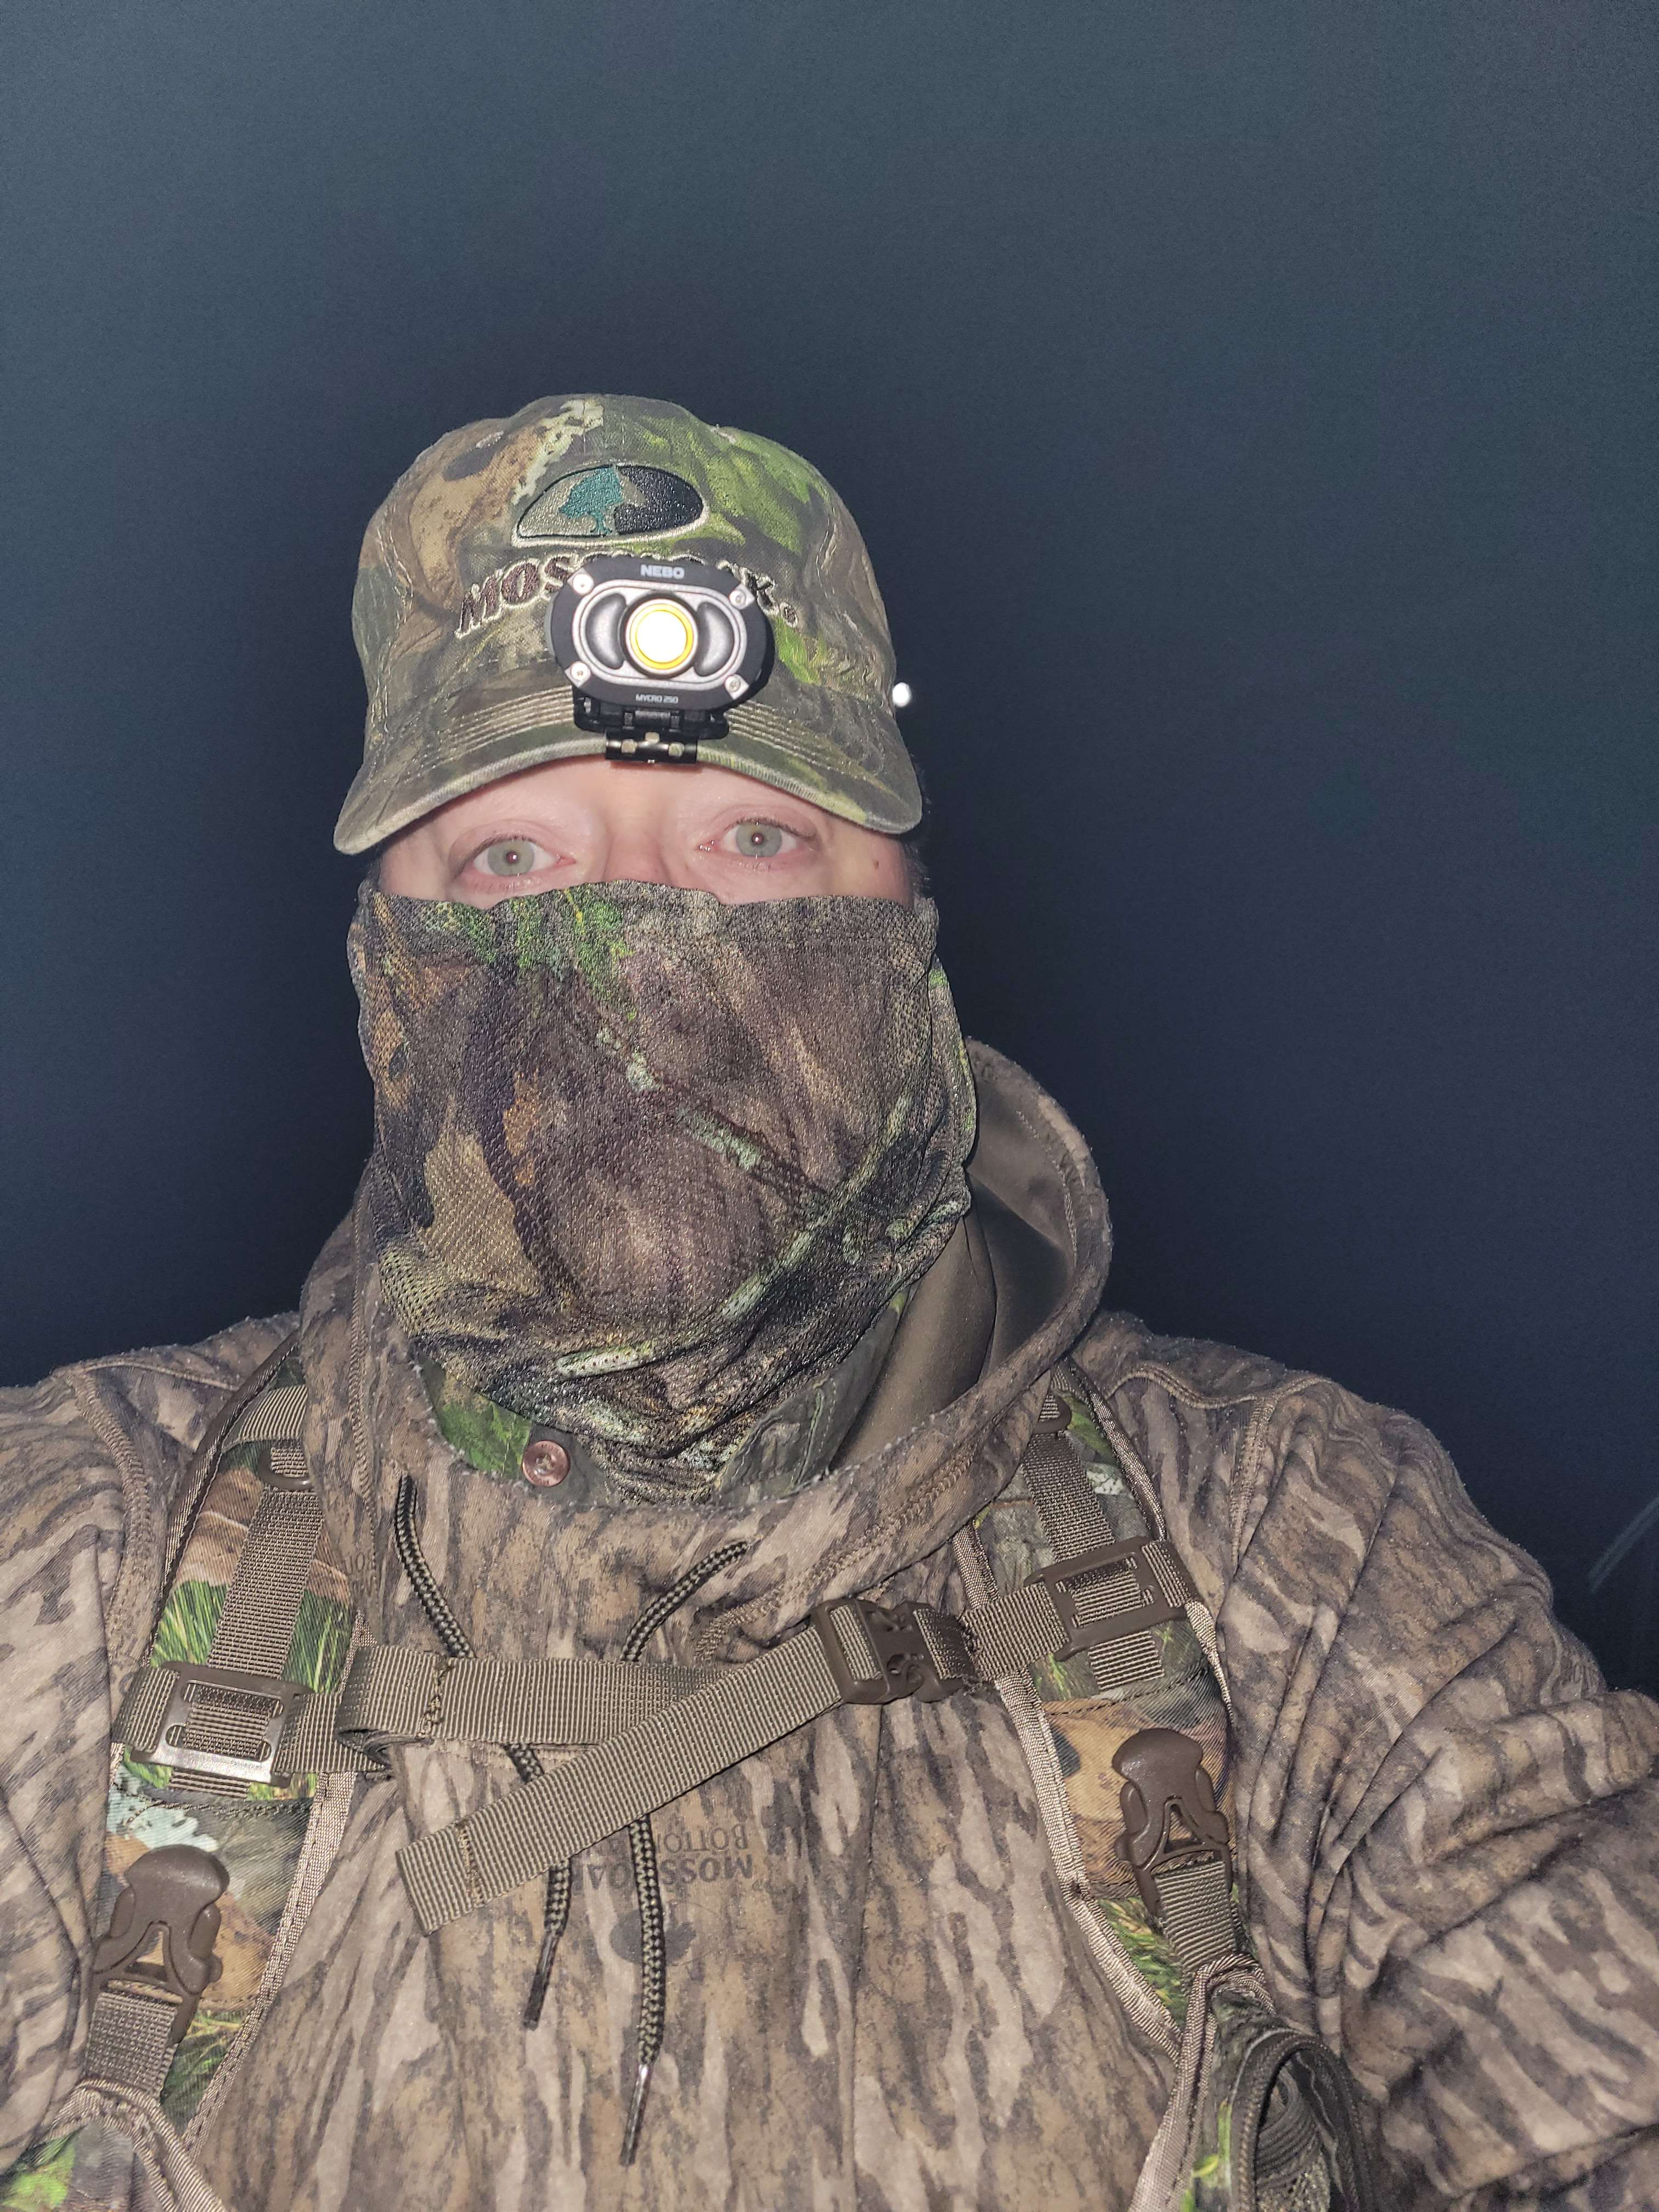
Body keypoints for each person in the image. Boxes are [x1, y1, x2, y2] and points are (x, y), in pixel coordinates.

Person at [2, 394, 1655, 2212]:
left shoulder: (1293, 1549)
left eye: (754, 845)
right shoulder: (75, 1555)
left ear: (908, 925)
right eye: (514, 861)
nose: (642, 947)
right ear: (383, 960)